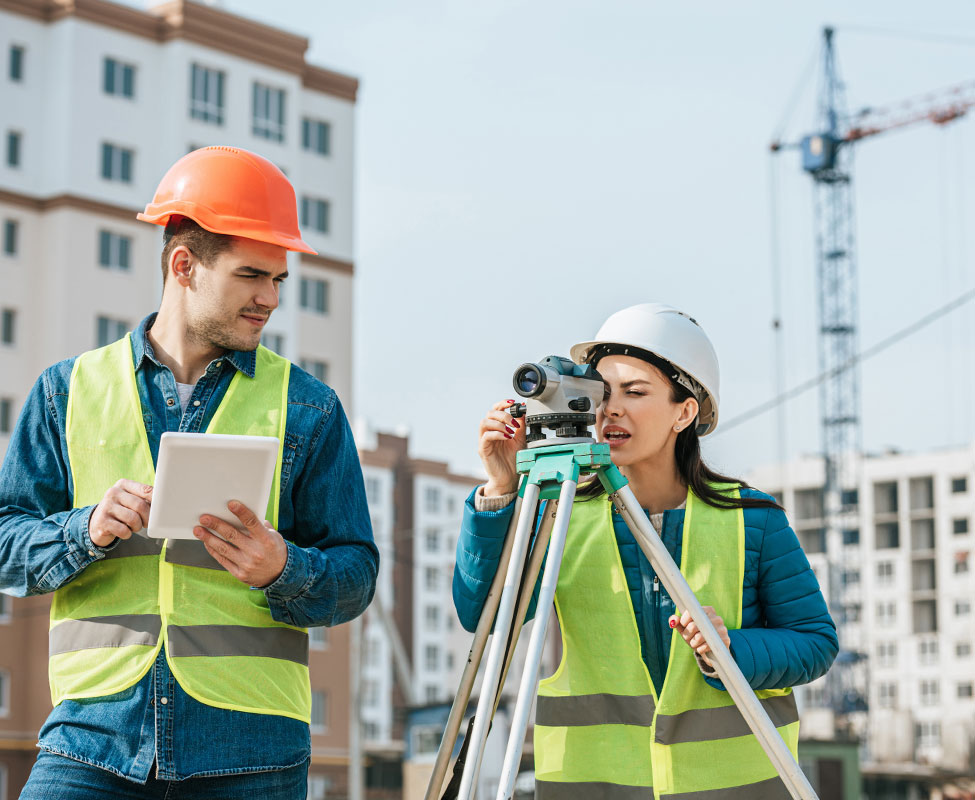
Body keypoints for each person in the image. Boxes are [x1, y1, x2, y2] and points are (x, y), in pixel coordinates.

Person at [0, 146, 378, 799]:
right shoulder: (67, 391)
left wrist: (284, 568)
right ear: (184, 265)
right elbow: (6, 544)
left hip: (251, 750)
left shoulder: (309, 408)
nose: (270, 299)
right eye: (252, 276)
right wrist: (84, 529)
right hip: (92, 740)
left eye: (279, 281)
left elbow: (356, 573)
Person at [453, 303, 838, 799]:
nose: (611, 409)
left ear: (685, 411)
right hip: (597, 787)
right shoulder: (561, 515)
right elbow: (484, 619)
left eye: (635, 392)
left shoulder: (752, 519)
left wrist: (731, 650)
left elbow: (815, 641)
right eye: (603, 393)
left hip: (734, 787)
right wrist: (501, 488)